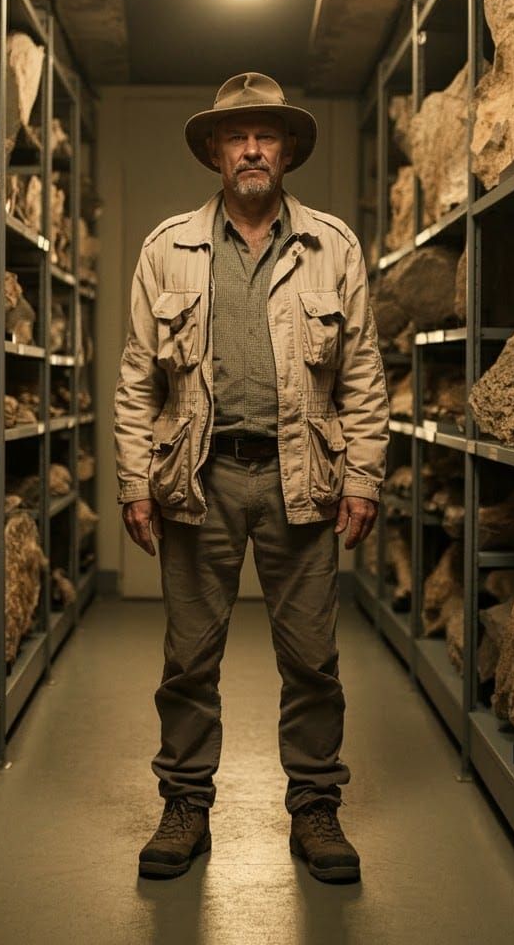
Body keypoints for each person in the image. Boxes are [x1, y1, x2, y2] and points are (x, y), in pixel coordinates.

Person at [113, 72, 389, 884]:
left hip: (300, 477)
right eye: (237, 137)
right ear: (213, 151)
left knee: (311, 656)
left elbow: (364, 372)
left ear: (290, 148)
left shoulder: (332, 245)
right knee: (189, 657)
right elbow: (137, 377)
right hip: (198, 477)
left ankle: (315, 807)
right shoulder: (167, 247)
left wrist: (364, 476)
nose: (253, 149)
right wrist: (135, 479)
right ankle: (186, 805)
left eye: (267, 135)